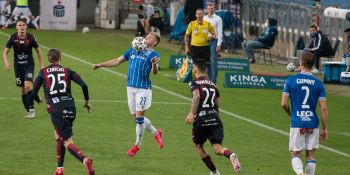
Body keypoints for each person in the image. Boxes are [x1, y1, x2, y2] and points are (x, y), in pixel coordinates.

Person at [92, 33, 164, 156]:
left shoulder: (154, 55)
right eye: (147, 36)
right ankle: (156, 132)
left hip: (143, 89)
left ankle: (137, 145)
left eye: (151, 37)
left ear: (155, 42)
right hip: (130, 87)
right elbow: (117, 61)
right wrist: (100, 65)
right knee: (135, 119)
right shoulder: (133, 50)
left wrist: (154, 64)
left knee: (140, 119)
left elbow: (155, 72)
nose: (147, 38)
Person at [31, 48, 94, 175]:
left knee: (67, 141)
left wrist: (37, 99)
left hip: (56, 110)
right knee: (58, 136)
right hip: (71, 108)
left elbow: (33, 92)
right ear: (60, 57)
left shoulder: (43, 72)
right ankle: (60, 168)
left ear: (49, 58)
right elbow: (84, 85)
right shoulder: (67, 71)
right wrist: (86, 102)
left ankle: (84, 160)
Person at [185, 63, 241, 175]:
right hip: (215, 118)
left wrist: (191, 113)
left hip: (202, 119)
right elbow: (217, 102)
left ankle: (214, 172)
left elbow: (196, 96)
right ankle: (230, 155)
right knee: (217, 148)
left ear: (195, 70)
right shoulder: (213, 84)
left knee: (198, 146)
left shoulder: (194, 83)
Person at [281, 51, 328, 175]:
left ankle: (301, 174)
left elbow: (283, 104)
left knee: (295, 153)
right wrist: (325, 128)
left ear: (301, 63)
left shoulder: (291, 80)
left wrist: (291, 114)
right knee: (311, 155)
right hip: (312, 123)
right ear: (312, 65)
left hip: (297, 122)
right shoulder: (319, 83)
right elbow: (323, 108)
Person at [3, 18, 43, 118]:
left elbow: (38, 51)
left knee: (28, 85)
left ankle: (32, 111)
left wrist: (41, 65)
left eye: (23, 25)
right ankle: (29, 108)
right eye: (19, 25)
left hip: (29, 64)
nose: (21, 27)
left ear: (26, 27)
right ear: (16, 27)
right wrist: (6, 62)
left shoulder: (31, 37)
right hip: (18, 66)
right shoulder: (12, 37)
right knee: (23, 90)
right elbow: (6, 52)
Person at [204, 3, 223, 84]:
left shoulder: (218, 19)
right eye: (209, 8)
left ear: (214, 9)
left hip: (214, 41)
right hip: (205, 41)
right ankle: (209, 80)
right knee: (207, 61)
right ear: (207, 9)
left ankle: (213, 81)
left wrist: (219, 44)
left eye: (212, 8)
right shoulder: (204, 18)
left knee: (213, 61)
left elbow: (220, 33)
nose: (210, 10)